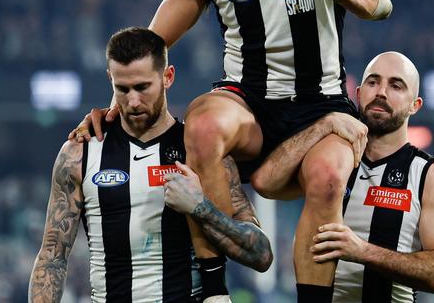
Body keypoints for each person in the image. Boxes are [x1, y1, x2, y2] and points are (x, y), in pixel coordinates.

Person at [70, 0, 392, 302]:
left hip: (322, 104)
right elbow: (151, 47)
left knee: (327, 179)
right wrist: (116, 102)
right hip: (248, 101)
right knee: (200, 126)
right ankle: (215, 289)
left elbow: (380, 1)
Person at [30, 27, 272, 303]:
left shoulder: (201, 151)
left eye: (143, 87)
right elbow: (52, 256)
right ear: (110, 79)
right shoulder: (80, 154)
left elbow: (261, 255)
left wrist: (201, 209)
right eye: (122, 89)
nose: (132, 101)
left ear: (167, 77)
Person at [251, 52, 434, 302]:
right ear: (360, 93)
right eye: (373, 82)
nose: (381, 92)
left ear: (414, 105)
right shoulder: (329, 160)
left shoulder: (432, 175)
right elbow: (265, 182)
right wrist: (323, 125)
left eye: (395, 85)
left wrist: (362, 251)